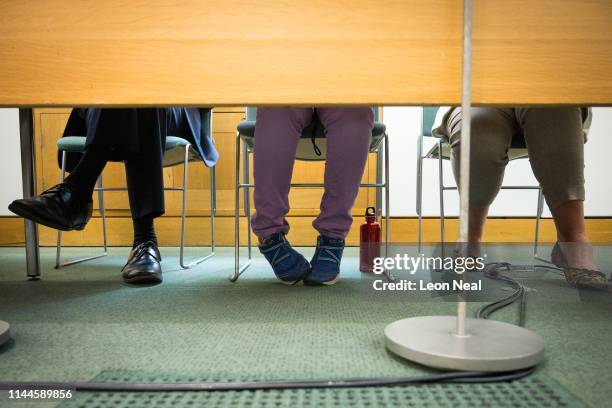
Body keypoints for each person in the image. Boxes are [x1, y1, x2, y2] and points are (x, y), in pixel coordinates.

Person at [9, 108, 218, 285]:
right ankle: (145, 243)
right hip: (102, 106)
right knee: (125, 95)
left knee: (143, 99)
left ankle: (75, 193)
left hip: (169, 109)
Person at [432, 107, 608, 290]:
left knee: (556, 109)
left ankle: (573, 239)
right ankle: (470, 237)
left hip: (544, 87)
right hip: (480, 95)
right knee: (475, 129)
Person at [251, 108, 373, 286]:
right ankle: (269, 233)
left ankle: (333, 236)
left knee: (355, 114)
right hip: (290, 87)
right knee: (276, 110)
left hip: (341, 89)